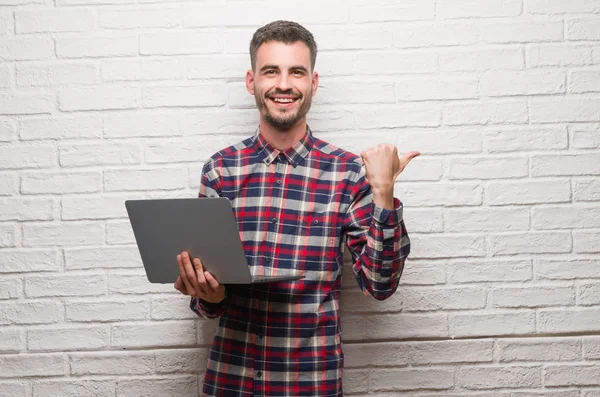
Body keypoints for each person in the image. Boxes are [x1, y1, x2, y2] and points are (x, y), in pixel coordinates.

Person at [174, 20, 419, 397]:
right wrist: (207, 293)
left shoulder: (347, 173)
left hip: (311, 382)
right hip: (231, 380)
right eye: (271, 71)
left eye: (297, 72)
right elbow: (209, 304)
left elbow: (381, 285)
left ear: (313, 83)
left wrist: (383, 192)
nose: (284, 84)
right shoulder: (220, 170)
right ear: (251, 81)